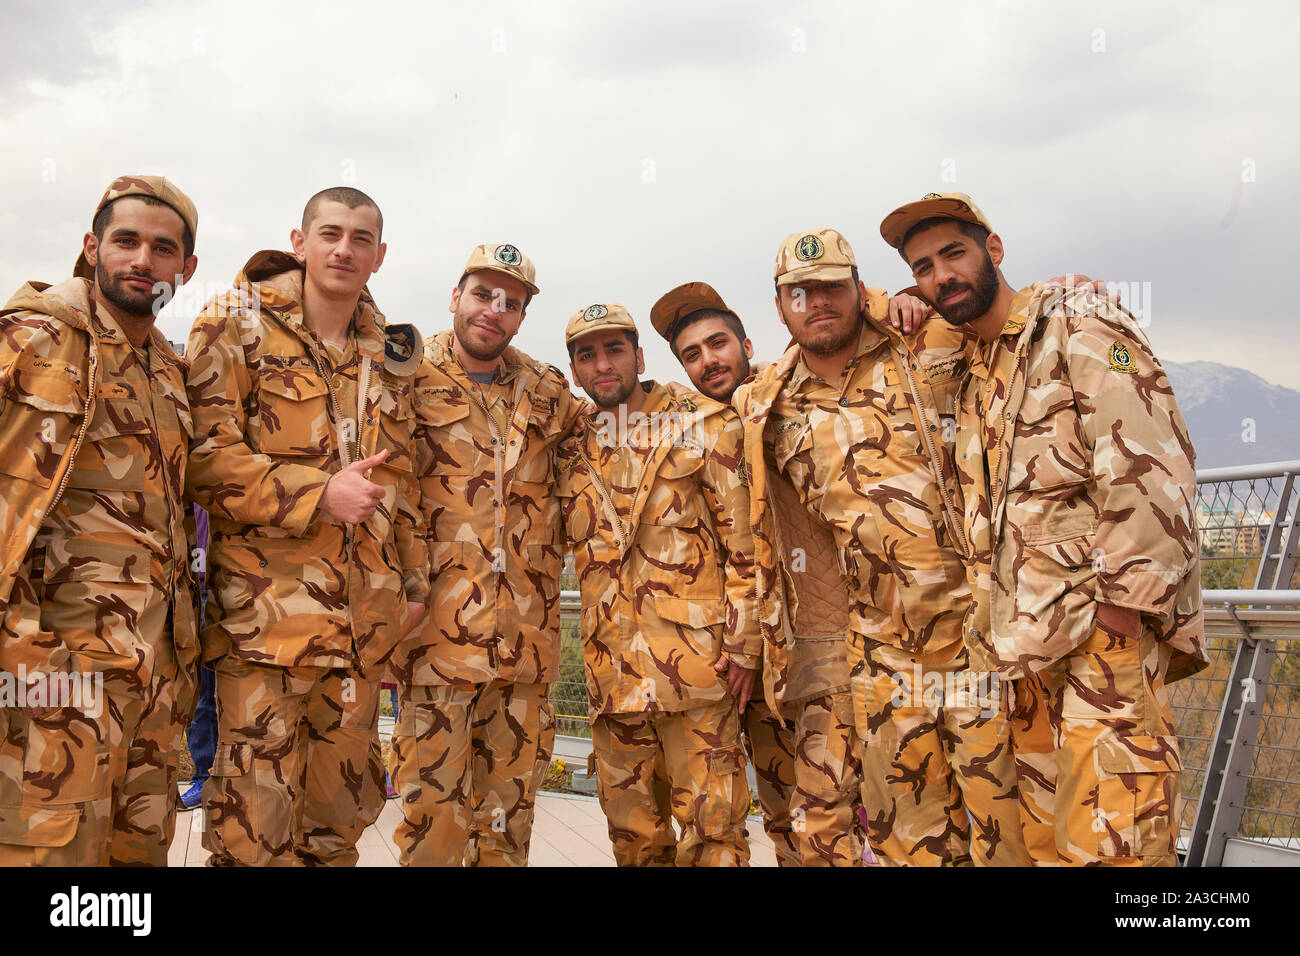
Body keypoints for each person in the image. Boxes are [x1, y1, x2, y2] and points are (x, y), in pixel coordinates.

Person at [882, 192, 1207, 866]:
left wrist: (1123, 608)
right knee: (1048, 845)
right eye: (922, 268)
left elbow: (1150, 461)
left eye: (954, 254)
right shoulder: (975, 367)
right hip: (1024, 654)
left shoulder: (1079, 323)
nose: (941, 275)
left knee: (1116, 841)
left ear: (993, 250)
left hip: (1100, 645)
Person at [733, 228, 1030, 866]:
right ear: (780, 305)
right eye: (799, 292)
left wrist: (1073, 298)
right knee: (910, 836)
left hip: (976, 637)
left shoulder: (928, 342)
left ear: (858, 287)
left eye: (834, 287)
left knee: (1007, 830)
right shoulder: (766, 405)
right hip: (877, 653)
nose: (817, 302)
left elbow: (1013, 330)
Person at [184, 186, 429, 866]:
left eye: (360, 239)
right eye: (330, 234)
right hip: (265, 633)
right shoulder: (234, 325)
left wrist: (410, 588)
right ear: (299, 241)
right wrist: (317, 493)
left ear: (379, 256)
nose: (343, 249)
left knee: (335, 829)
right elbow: (201, 458)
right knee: (252, 835)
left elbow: (401, 483)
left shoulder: (392, 354)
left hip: (359, 638)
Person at [0, 175, 201, 865]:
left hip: (152, 686)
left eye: (163, 248)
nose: (143, 260)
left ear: (186, 269)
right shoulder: (33, 340)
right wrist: (24, 651)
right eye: (126, 241)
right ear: (92, 248)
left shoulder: (171, 372)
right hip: (55, 679)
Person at [648, 281, 866, 867]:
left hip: (821, 646)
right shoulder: (695, 427)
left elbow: (841, 337)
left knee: (828, 818)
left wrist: (895, 299)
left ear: (747, 342)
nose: (708, 361)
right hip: (754, 667)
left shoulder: (792, 395)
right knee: (783, 817)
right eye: (691, 354)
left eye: (717, 344)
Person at [388, 243, 580, 866]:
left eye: (511, 303)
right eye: (482, 295)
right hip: (435, 647)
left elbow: (617, 424)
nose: (493, 311)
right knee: (432, 824)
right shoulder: (405, 375)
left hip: (524, 647)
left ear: (521, 316)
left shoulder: (548, 390)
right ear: (455, 297)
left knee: (506, 822)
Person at [557, 302, 759, 866]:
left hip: (699, 672)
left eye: (614, 350)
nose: (602, 365)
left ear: (639, 356)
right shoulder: (572, 448)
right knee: (634, 841)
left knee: (714, 834)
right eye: (586, 355)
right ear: (574, 370)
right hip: (612, 677)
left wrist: (745, 646)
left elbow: (744, 546)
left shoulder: (701, 425)